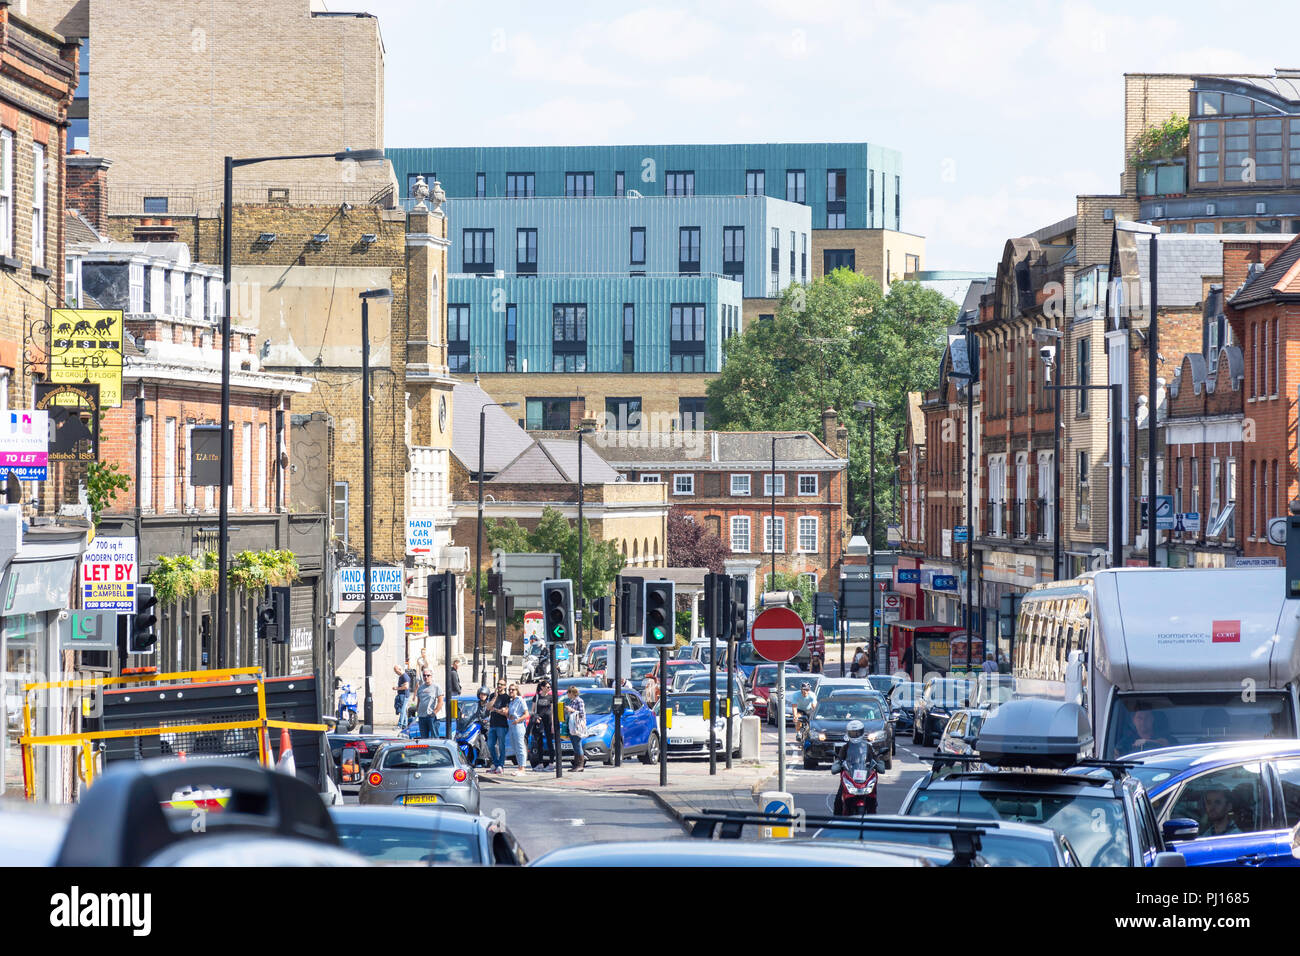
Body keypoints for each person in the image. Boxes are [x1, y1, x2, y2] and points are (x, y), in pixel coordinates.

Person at [487, 679, 511, 774]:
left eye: (501, 684)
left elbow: (505, 712)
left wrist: (495, 710)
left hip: (502, 725)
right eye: (498, 684)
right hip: (492, 724)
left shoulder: (506, 697)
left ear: (505, 686)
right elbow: (488, 707)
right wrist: (495, 698)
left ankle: (501, 765)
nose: (499, 686)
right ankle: (496, 764)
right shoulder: (493, 695)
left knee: (501, 746)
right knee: (490, 745)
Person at [531, 678, 554, 769]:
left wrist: (552, 724)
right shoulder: (536, 697)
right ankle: (540, 763)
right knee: (539, 742)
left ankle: (551, 763)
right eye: (547, 687)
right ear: (542, 687)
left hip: (548, 721)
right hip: (539, 722)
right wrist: (536, 717)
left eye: (550, 687)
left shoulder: (551, 697)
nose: (549, 688)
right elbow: (532, 711)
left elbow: (552, 712)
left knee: (549, 742)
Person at [507, 683, 530, 775]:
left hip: (518, 724)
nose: (511, 691)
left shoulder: (520, 700)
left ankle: (522, 768)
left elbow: (526, 714)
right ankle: (519, 766)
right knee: (514, 746)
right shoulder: (511, 701)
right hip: (511, 724)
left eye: (513, 689)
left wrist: (518, 720)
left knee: (520, 746)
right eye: (509, 690)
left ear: (516, 690)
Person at [564, 685, 587, 771]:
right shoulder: (572, 701)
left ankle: (580, 765)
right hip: (572, 724)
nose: (567, 694)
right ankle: (576, 764)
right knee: (574, 744)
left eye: (568, 692)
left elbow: (581, 713)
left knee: (577, 744)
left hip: (577, 725)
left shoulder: (579, 701)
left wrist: (571, 710)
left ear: (572, 693)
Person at [415, 669, 443, 740]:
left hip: (432, 716)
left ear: (431, 676)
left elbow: (440, 702)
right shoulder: (420, 688)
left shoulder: (436, 687)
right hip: (422, 717)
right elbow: (419, 701)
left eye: (428, 675)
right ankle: (425, 752)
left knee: (434, 738)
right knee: (423, 739)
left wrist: (435, 712)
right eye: (424, 675)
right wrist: (417, 711)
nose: (426, 677)